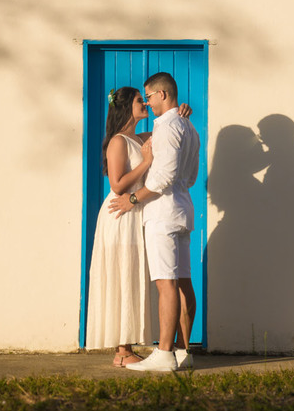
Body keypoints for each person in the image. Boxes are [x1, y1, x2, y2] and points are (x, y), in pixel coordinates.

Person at [110, 71, 200, 373]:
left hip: (163, 213)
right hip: (182, 209)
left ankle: (164, 353)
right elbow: (190, 176)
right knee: (182, 281)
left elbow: (164, 177)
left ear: (162, 94)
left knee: (167, 284)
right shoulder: (188, 126)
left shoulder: (168, 126)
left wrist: (134, 199)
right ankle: (182, 351)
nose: (147, 103)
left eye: (148, 96)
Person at [85, 86, 156, 366]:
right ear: (127, 106)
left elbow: (166, 128)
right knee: (122, 273)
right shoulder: (118, 141)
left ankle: (126, 348)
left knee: (132, 273)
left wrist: (181, 113)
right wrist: (147, 162)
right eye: (140, 100)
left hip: (134, 212)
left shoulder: (139, 138)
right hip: (120, 214)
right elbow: (117, 184)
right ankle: (122, 352)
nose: (145, 104)